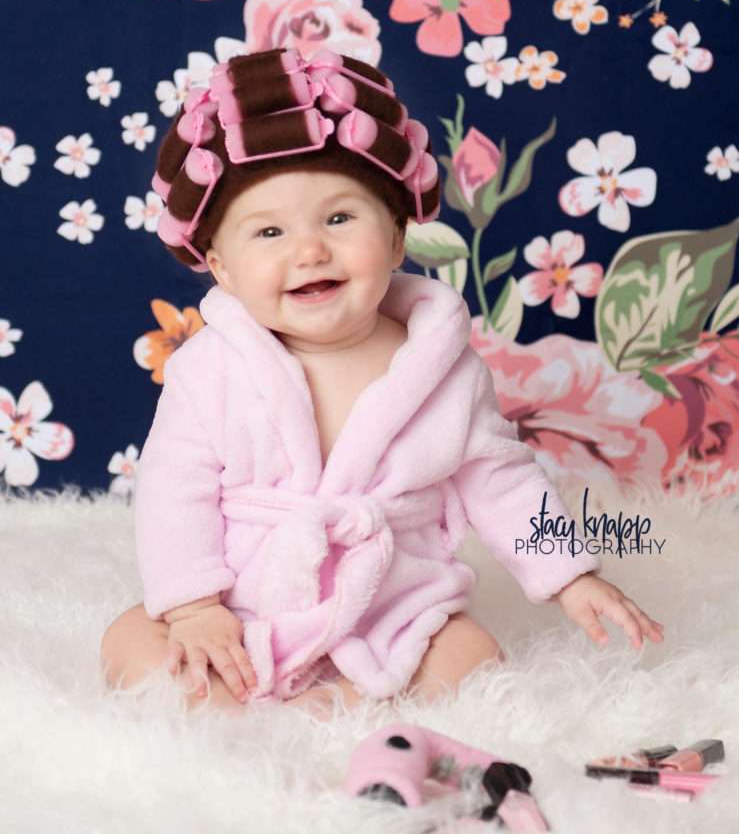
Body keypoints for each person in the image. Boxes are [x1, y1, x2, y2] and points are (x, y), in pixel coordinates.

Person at [100, 47, 664, 720]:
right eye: (269, 231)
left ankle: (341, 702)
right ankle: (234, 713)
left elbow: (500, 478)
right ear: (220, 268)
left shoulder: (441, 367)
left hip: (390, 605)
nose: (308, 250)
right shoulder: (209, 368)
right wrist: (193, 608)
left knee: (471, 654)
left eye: (339, 219)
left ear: (397, 240)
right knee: (131, 640)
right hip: (244, 602)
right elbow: (173, 488)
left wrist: (570, 576)